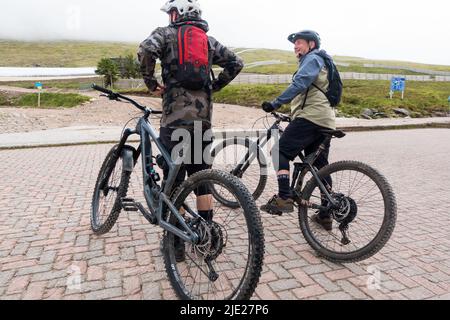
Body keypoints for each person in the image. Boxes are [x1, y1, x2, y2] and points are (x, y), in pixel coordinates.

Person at [138, 0, 244, 260]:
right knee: (201, 177)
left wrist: (151, 83)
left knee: (174, 178)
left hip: (174, 119)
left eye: (170, 13)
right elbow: (236, 63)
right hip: (202, 121)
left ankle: (175, 242)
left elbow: (144, 51)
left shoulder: (165, 33)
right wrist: (214, 86)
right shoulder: (208, 41)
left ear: (177, 13)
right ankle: (206, 233)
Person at [260, 30, 336, 231]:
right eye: (294, 44)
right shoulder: (323, 61)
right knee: (321, 166)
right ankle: (326, 213)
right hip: (325, 120)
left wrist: (276, 103)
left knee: (279, 152)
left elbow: (300, 83)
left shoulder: (312, 58)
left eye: (299, 42)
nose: (295, 46)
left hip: (310, 118)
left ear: (311, 44)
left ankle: (284, 197)